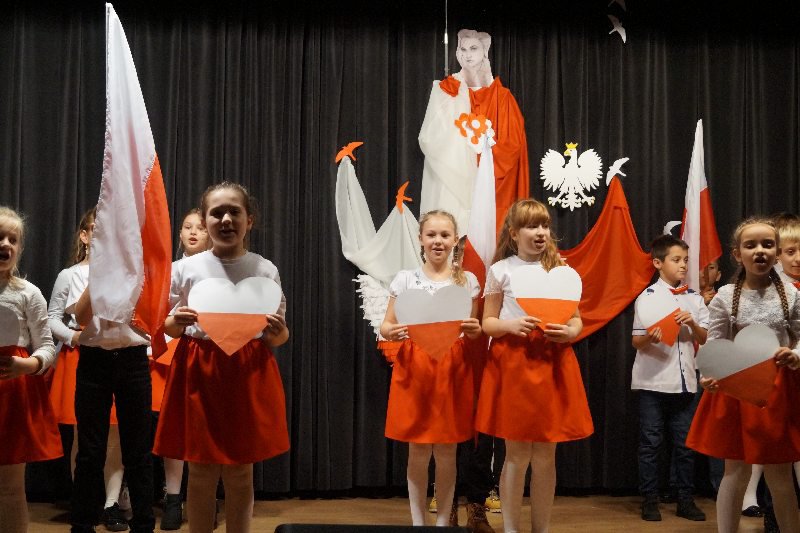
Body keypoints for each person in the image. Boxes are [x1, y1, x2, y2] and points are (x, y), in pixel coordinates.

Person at [154, 182, 290, 533]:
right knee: (200, 468)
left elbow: (278, 336)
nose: (226, 219)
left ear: (249, 220)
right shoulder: (185, 268)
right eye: (217, 213)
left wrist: (277, 332)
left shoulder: (264, 270)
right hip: (199, 369)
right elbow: (166, 326)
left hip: (247, 371)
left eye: (234, 212)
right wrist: (176, 323)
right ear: (205, 221)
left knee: (241, 470)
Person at [474, 199, 593, 533]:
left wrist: (570, 332)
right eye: (531, 226)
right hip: (514, 365)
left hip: (552, 362)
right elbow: (488, 323)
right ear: (514, 233)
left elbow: (576, 320)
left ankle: (541, 528)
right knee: (516, 454)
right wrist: (510, 326)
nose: (540, 232)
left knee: (545, 455)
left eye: (544, 225)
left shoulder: (561, 270)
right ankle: (511, 528)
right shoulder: (502, 270)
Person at [686, 217, 800, 533]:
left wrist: (795, 355)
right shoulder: (725, 296)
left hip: (777, 392)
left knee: (780, 475)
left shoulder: (791, 294)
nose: (759, 250)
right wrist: (710, 375)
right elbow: (715, 342)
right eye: (751, 245)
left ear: (777, 252)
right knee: (735, 472)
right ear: (738, 254)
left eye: (767, 244)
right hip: (736, 391)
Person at [380, 210, 483, 527]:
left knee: (448, 450)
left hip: (453, 367)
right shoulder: (405, 279)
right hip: (416, 366)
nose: (438, 241)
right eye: (432, 235)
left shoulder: (467, 281)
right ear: (421, 239)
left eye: (444, 235)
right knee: (418, 449)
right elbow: (386, 325)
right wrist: (392, 332)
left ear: (455, 240)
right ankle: (418, 522)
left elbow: (473, 329)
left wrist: (474, 329)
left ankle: (441, 524)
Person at [68, 214, 156, 532]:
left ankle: (144, 525)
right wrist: (102, 273)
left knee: (138, 451)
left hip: (133, 360)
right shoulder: (79, 272)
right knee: (90, 451)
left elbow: (149, 317)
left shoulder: (141, 271)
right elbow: (80, 317)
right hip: (94, 360)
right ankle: (82, 524)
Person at [48, 207, 129, 531]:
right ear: (84, 235)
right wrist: (74, 337)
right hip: (79, 356)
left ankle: (111, 505)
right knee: (84, 437)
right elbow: (53, 318)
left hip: (116, 354)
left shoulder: (125, 273)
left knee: (116, 436)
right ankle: (86, 502)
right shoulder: (69, 275)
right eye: (97, 228)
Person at [418, 28, 528, 236]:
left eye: (474, 48)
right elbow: (431, 136)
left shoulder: (502, 98)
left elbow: (512, 144)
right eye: (463, 49)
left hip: (486, 178)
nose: (468, 54)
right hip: (453, 175)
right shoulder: (447, 90)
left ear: (484, 51)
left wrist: (484, 152)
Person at [631, 235, 708, 522]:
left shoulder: (694, 298)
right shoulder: (648, 297)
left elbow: (706, 337)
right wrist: (650, 338)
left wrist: (693, 323)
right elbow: (636, 341)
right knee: (650, 443)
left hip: (686, 382)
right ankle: (649, 500)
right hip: (653, 381)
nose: (683, 265)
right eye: (676, 260)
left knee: (685, 444)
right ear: (658, 263)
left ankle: (684, 500)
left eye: (685, 260)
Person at [0, 206, 60, 532]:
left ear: (20, 248)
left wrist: (27, 364)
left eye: (13, 239)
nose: (5, 244)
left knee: (10, 487)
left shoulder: (28, 293)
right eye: (0, 237)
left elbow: (48, 347)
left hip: (12, 397)